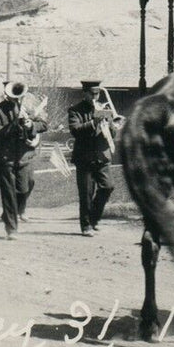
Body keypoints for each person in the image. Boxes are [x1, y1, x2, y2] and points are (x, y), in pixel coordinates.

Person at [0, 81, 47, 240]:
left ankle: (13, 212)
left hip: (25, 157)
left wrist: (31, 125)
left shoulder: (29, 107)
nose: (17, 97)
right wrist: (14, 125)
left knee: (24, 188)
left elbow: (44, 124)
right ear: (7, 93)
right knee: (8, 194)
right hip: (6, 158)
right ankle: (11, 228)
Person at [67, 79, 116, 235]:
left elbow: (113, 134)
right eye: (92, 94)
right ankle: (86, 225)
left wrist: (109, 124)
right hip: (85, 158)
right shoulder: (75, 110)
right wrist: (93, 123)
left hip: (102, 156)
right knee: (86, 193)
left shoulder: (104, 109)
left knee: (108, 187)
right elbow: (75, 130)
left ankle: (94, 217)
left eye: (98, 93)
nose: (95, 97)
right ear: (85, 93)